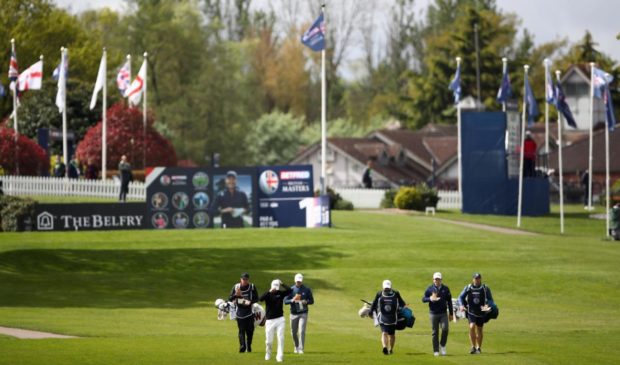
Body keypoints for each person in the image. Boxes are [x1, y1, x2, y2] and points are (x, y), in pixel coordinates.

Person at [458, 273, 495, 354]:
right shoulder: (468, 287)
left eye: (478, 278)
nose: (477, 280)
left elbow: (490, 300)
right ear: (473, 279)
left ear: (480, 279)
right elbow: (460, 297)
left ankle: (478, 348)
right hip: (471, 311)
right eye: (475, 278)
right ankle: (473, 347)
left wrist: (488, 306)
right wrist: (461, 305)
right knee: (472, 326)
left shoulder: (485, 288)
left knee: (480, 329)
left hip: (481, 312)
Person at [370, 279, 407, 355]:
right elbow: (374, 303)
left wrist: (403, 307)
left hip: (393, 318)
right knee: (384, 333)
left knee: (392, 335)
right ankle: (384, 347)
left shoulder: (396, 293)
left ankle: (391, 349)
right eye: (385, 288)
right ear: (383, 287)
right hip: (383, 316)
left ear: (390, 287)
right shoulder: (379, 294)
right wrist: (371, 311)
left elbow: (402, 303)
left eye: (388, 288)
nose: (386, 289)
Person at [259, 279, 292, 362]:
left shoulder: (280, 293)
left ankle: (279, 356)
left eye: (277, 287)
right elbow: (260, 299)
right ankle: (268, 353)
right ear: (271, 286)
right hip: (270, 321)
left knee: (280, 338)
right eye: (274, 287)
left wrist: (282, 283)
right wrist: (269, 291)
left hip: (280, 319)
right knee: (268, 341)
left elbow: (290, 290)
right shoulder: (268, 294)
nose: (275, 289)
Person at [422, 272, 454, 356]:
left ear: (441, 280)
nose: (437, 281)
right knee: (435, 332)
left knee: (445, 329)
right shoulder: (429, 289)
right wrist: (430, 298)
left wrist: (451, 313)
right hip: (433, 313)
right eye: (435, 279)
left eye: (438, 279)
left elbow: (449, 301)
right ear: (433, 280)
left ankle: (442, 345)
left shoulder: (446, 289)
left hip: (443, 313)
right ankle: (436, 350)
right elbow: (423, 299)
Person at [229, 272, 259, 353]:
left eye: (246, 279)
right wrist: (236, 295)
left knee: (250, 331)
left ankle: (248, 345)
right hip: (240, 313)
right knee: (241, 331)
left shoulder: (252, 287)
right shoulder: (236, 287)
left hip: (250, 313)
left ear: (248, 280)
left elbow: (257, 298)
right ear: (240, 279)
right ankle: (242, 346)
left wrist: (250, 302)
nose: (245, 281)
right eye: (243, 279)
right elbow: (230, 298)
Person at [284, 273, 314, 354]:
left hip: (303, 313)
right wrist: (292, 300)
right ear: (295, 281)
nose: (298, 283)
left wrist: (306, 301)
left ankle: (301, 349)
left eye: (300, 281)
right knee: (293, 332)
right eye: (297, 281)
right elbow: (285, 301)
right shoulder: (291, 290)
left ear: (302, 281)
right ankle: (296, 346)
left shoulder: (307, 290)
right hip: (293, 313)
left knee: (302, 331)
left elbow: (312, 301)